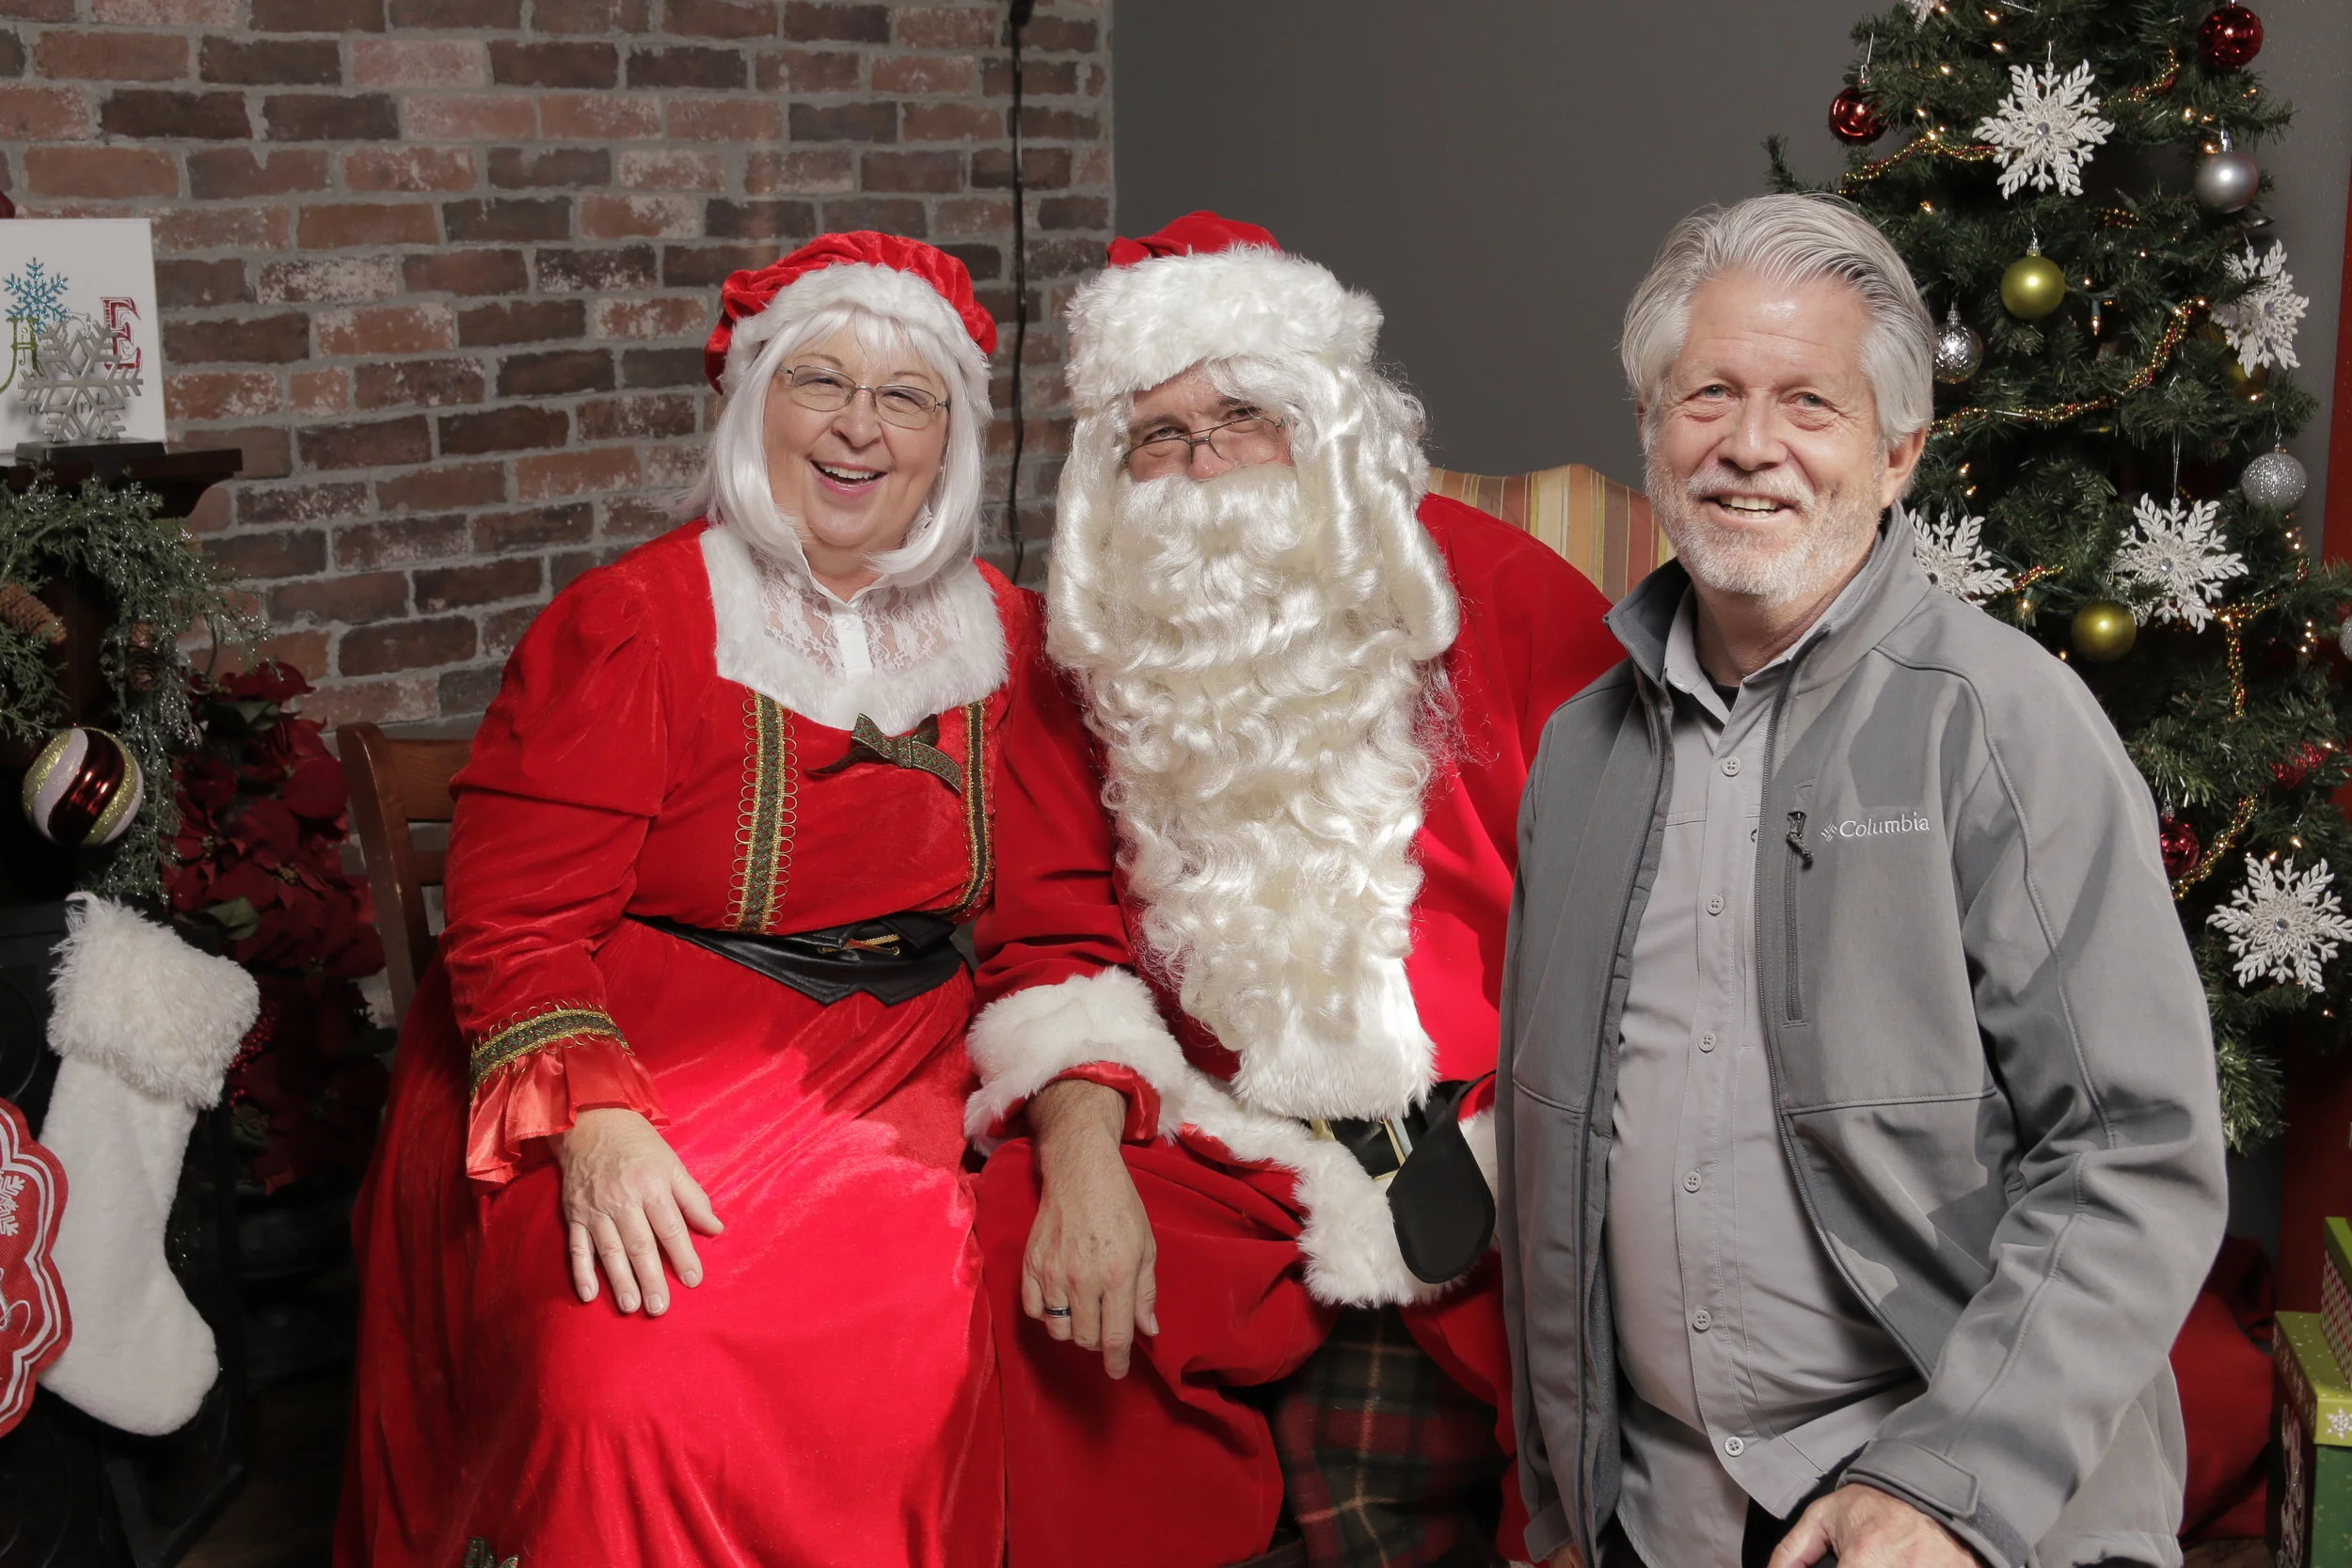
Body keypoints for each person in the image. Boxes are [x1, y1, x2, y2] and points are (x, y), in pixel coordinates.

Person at [1498, 193, 2229, 1568]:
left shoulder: (2002, 723)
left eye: (1809, 403)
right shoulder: (1580, 758)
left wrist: (1949, 1485)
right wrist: (1562, 1503)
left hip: (1947, 1506)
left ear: (1898, 454)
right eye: (1708, 394)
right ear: (1651, 428)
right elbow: (1555, 1156)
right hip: (1658, 1513)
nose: (1748, 445)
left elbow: (2134, 1149)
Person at [337, 233, 1032, 1568]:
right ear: (755, 401)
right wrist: (595, 1124)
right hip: (637, 1047)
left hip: (900, 1056)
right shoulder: (640, 620)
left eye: (906, 396)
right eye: (820, 381)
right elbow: (519, 921)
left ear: (950, 440)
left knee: (923, 1341)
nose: (859, 428)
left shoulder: (1004, 632)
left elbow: (1051, 899)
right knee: (635, 1373)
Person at [967, 213, 1624, 1568]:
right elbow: (1052, 936)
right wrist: (1081, 1155)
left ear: (1326, 427)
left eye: (1243, 417)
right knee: (1017, 1253)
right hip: (1231, 1146)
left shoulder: (1505, 596)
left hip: (1503, 1139)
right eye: (1160, 436)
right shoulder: (1084, 653)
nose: (1204, 465)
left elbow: (1641, 914)